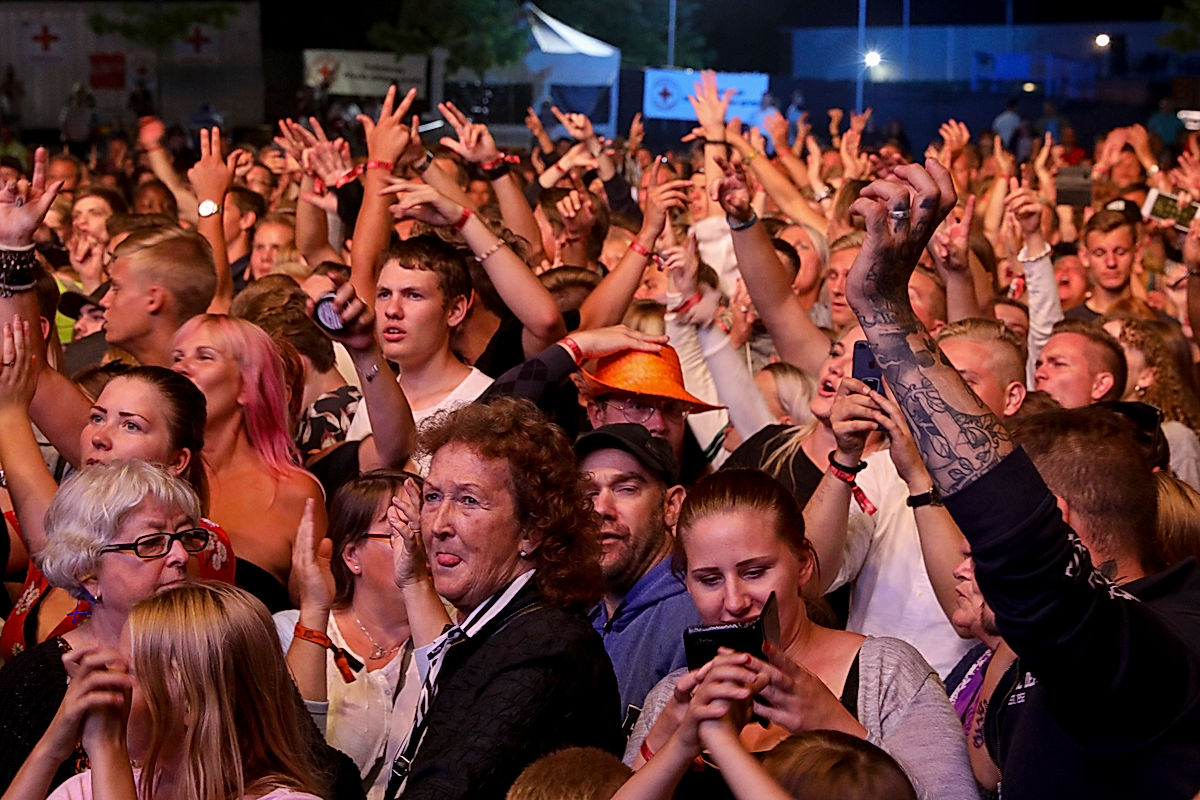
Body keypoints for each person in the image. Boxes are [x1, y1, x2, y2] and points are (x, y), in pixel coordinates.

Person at [842, 158, 1200, 798]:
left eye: (979, 542)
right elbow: (993, 770)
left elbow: (1021, 543)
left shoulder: (1155, 645)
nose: (966, 557)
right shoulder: (1030, 645)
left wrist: (885, 305)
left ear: (1057, 524)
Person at [625, 469, 975, 800]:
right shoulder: (674, 695)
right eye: (709, 580)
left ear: (803, 564)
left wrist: (836, 724)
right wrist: (665, 740)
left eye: (755, 572)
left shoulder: (884, 671)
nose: (734, 601)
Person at [382, 396, 622, 800]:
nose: (439, 525)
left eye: (468, 500)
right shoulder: (504, 626)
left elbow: (449, 789)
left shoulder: (549, 647)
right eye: (433, 497)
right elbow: (455, 673)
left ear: (531, 529)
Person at [0, 354, 234, 662]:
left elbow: (58, 544)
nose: (99, 437)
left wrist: (9, 415)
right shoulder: (66, 524)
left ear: (177, 461)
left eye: (130, 425)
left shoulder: (197, 542)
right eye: (96, 418)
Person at [6, 582, 329, 800]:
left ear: (191, 701)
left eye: (129, 671)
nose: (109, 681)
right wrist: (51, 748)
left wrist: (107, 747)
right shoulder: (90, 788)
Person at [0, 461, 207, 792]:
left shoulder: (230, 647)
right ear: (89, 572)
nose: (180, 554)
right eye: (152, 543)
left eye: (186, 536)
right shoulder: (37, 681)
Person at [274, 473, 423, 800]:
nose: (418, 545)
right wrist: (314, 607)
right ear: (352, 556)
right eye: (399, 531)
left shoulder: (453, 634)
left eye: (424, 529)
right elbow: (291, 757)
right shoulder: (288, 632)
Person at [171, 314, 327, 611]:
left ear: (247, 386)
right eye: (177, 357)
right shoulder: (153, 478)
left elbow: (308, 615)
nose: (181, 367)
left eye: (204, 357)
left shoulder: (295, 493)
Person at [574, 423, 697, 728]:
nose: (601, 508)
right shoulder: (574, 611)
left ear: (671, 505)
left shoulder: (696, 616)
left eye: (625, 489)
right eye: (588, 493)